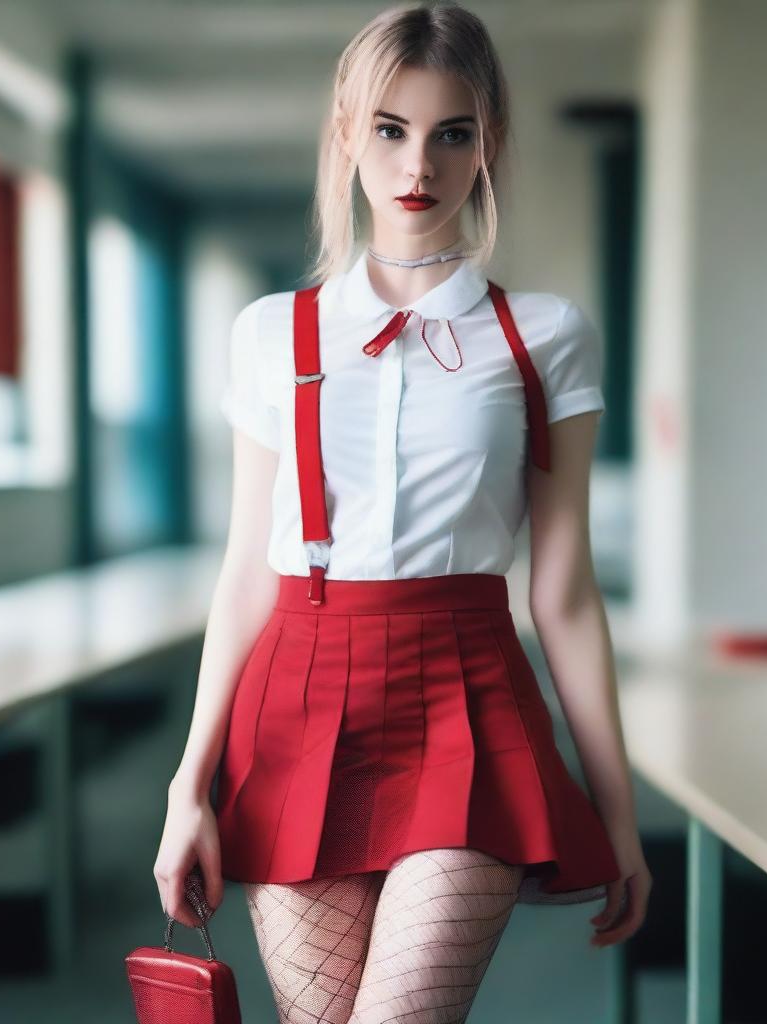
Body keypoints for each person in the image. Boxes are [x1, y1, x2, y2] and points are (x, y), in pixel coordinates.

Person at [154, 2, 651, 1020]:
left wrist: (618, 807)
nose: (416, 163)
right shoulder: (271, 333)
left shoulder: (541, 336)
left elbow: (560, 590)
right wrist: (186, 785)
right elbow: (248, 568)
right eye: (389, 129)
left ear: (488, 146)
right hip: (294, 700)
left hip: (466, 696)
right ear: (347, 135)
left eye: (450, 133)